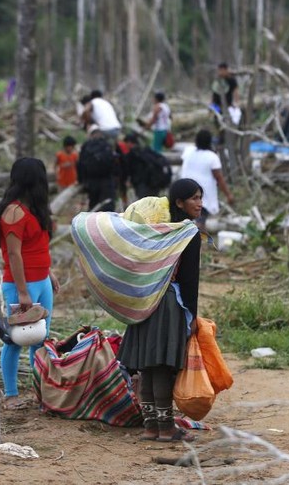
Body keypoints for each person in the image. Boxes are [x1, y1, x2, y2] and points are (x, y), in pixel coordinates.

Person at [116, 178, 203, 442]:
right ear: (179, 202)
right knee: (163, 365)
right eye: (195, 198)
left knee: (148, 366)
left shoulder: (155, 231)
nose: (200, 204)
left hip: (145, 299)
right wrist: (192, 315)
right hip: (168, 304)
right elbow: (189, 280)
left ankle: (151, 426)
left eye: (201, 198)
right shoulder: (187, 234)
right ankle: (166, 428)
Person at [0, 157, 60, 411]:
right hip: (21, 285)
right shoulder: (13, 212)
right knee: (15, 339)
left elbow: (36, 246)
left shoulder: (35, 208)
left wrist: (48, 272)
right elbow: (14, 254)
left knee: (41, 338)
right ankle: (10, 394)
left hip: (41, 280)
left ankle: (39, 390)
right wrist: (22, 292)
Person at [179, 129, 234, 231]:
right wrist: (228, 195)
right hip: (201, 195)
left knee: (187, 220)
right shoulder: (212, 157)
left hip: (184, 190)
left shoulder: (189, 151)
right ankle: (198, 242)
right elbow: (219, 178)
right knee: (200, 221)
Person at [77, 127, 119, 212]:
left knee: (94, 206)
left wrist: (81, 180)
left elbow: (80, 164)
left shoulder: (86, 146)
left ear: (91, 135)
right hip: (107, 181)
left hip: (91, 182)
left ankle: (94, 223)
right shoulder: (107, 145)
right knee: (108, 208)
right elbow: (115, 164)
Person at [122, 132, 169, 200]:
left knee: (143, 205)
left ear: (129, 142)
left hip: (142, 185)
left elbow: (128, 170)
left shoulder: (132, 154)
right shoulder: (148, 151)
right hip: (154, 184)